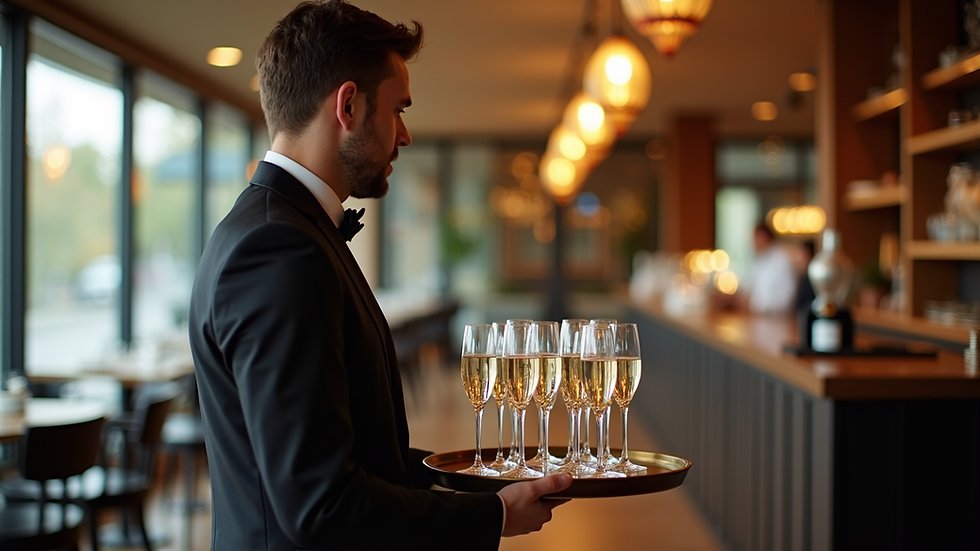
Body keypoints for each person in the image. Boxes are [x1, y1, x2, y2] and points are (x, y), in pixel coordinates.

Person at [187, 2, 572, 550]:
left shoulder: (286, 230)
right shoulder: (279, 248)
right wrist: (491, 517)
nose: (406, 135)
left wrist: (482, 478)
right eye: (399, 109)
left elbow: (359, 453)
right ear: (348, 104)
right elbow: (320, 505)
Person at [739, 223, 797, 314]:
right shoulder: (760, 259)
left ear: (765, 237)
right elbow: (752, 286)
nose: (753, 243)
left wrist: (754, 304)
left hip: (779, 320)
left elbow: (786, 299)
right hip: (760, 318)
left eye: (756, 238)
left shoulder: (782, 259)